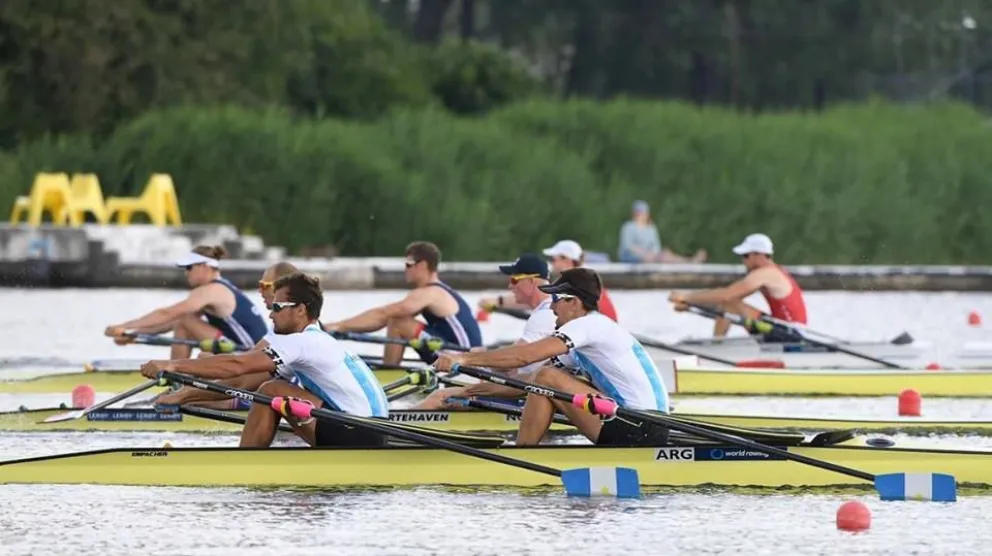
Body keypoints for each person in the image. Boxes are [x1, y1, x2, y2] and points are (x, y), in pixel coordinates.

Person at [139, 272, 390, 448]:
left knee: (272, 390)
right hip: (374, 432)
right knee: (268, 388)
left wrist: (172, 365)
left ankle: (246, 463)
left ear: (301, 310)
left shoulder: (302, 343)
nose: (270, 315)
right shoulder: (311, 343)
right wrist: (185, 394)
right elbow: (241, 383)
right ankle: (251, 457)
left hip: (358, 432)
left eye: (278, 307)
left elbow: (238, 364)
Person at [436, 268, 670, 447]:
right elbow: (527, 381)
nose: (551, 308)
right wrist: (469, 391)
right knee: (543, 377)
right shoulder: (585, 338)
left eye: (556, 299)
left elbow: (523, 357)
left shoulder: (589, 326)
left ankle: (522, 457)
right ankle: (525, 449)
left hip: (641, 426)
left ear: (574, 303)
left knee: (547, 376)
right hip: (642, 424)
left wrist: (464, 360)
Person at [415, 253, 557, 410]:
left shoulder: (544, 315)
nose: (510, 286)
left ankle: (394, 427)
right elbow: (518, 355)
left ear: (531, 281)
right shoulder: (548, 308)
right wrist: (487, 357)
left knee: (439, 397)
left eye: (514, 280)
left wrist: (464, 359)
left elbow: (518, 356)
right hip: (524, 384)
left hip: (527, 395)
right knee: (463, 381)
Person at [153, 261, 302, 410]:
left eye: (265, 286)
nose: (260, 291)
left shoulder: (295, 333)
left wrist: (184, 389)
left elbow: (241, 375)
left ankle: (182, 393)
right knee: (206, 363)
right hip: (276, 388)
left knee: (202, 390)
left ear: (283, 289)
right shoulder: (282, 327)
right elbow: (245, 364)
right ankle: (183, 390)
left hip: (293, 399)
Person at [324, 241, 482, 365]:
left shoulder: (430, 293)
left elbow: (384, 314)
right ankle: (389, 369)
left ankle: (388, 372)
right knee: (396, 319)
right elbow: (381, 319)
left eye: (408, 264)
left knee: (398, 321)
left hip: (464, 360)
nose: (405, 269)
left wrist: (337, 326)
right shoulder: (439, 290)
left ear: (423, 265)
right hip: (462, 355)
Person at [104, 246, 269, 358]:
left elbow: (167, 313)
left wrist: (125, 326)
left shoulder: (210, 291)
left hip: (250, 353)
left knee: (185, 322)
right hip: (247, 350)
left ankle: (176, 381)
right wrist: (134, 335)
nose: (186, 273)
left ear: (205, 266)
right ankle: (178, 382)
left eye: (189, 268)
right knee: (184, 322)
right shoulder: (217, 288)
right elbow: (171, 322)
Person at [668, 233, 807, 342]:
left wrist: (686, 297)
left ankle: (716, 347)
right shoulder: (773, 271)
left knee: (730, 302)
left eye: (746, 256)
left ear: (759, 255)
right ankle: (717, 344)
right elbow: (726, 302)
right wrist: (691, 304)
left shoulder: (766, 273)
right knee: (730, 304)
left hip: (790, 334)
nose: (743, 260)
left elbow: (726, 295)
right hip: (783, 328)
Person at [478, 239, 620, 322]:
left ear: (567, 260)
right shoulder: (581, 278)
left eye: (554, 259)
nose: (551, 264)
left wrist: (497, 301)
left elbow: (539, 298)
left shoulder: (578, 282)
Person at [618, 200, 707, 264]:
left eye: (642, 212)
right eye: (638, 213)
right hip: (632, 258)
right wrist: (645, 254)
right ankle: (689, 262)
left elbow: (656, 247)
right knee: (660, 257)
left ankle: (689, 261)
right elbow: (628, 247)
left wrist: (652, 254)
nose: (640, 215)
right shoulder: (628, 227)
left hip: (650, 257)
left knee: (665, 254)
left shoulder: (651, 229)